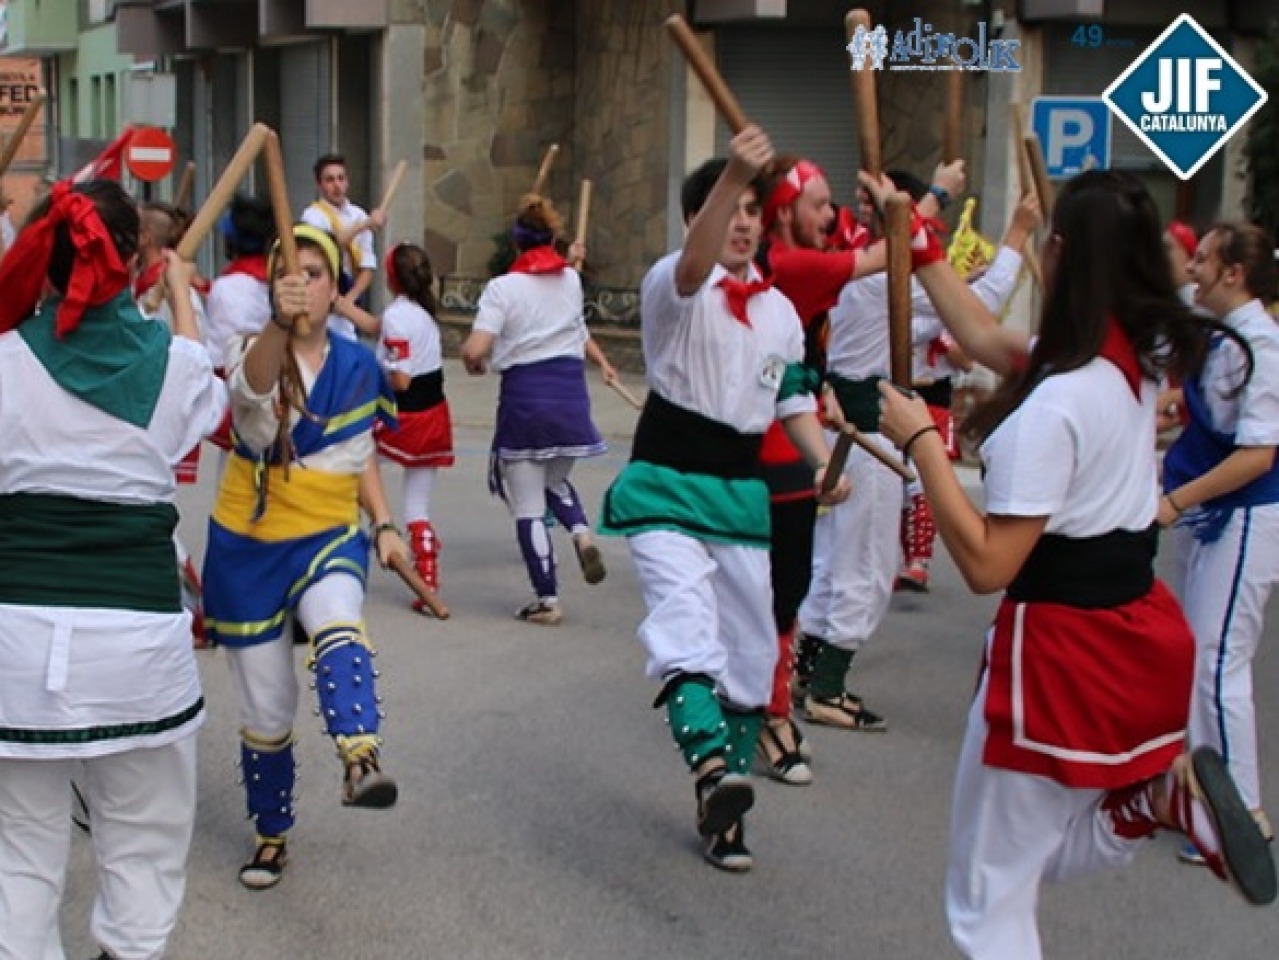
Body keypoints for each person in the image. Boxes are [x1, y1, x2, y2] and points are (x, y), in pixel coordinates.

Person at [876, 169, 1276, 959]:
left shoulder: (1054, 407)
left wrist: (921, 440)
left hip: (1061, 662)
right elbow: (989, 340)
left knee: (987, 901)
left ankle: (1151, 803)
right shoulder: (1134, 360)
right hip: (1135, 644)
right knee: (1028, 856)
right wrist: (915, 242)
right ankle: (1148, 802)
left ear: (1056, 256)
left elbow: (989, 562)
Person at [598, 127, 849, 872]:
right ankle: (711, 768)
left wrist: (819, 467)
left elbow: (788, 400)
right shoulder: (674, 285)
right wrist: (737, 167)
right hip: (668, 485)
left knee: (746, 660)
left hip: (741, 498)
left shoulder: (778, 315)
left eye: (750, 207)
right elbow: (692, 266)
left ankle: (723, 810)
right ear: (696, 220)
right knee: (685, 633)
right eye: (724, 207)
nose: (740, 221)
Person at [0, 179, 226, 960]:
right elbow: (202, 388)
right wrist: (177, 292)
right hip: (136, 643)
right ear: (134, 257)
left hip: (15, 641)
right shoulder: (178, 367)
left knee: (17, 856)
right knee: (144, 840)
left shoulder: (3, 361)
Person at [201, 224, 407, 890]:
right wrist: (275, 325)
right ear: (273, 285)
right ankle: (271, 833)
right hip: (248, 542)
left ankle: (359, 758)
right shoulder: (251, 349)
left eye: (317, 273)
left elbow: (360, 452)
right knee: (267, 708)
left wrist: (383, 523)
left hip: (326, 531)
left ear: (336, 285)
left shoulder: (358, 364)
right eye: (292, 273)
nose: (305, 283)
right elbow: (254, 406)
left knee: (338, 616)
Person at [795, 169, 1028, 734]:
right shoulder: (880, 276)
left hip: (849, 429)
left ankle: (803, 670)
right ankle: (825, 688)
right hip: (868, 434)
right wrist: (1018, 235)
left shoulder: (859, 262)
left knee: (835, 561)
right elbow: (980, 306)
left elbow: (941, 305)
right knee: (868, 567)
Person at [750, 154, 893, 783]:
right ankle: (765, 717)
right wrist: (912, 210)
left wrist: (819, 391)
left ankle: (768, 711)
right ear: (784, 213)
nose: (829, 215)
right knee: (771, 598)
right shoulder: (790, 265)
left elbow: (796, 367)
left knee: (781, 596)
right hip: (759, 457)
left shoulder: (786, 265)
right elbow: (885, 258)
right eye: (818, 204)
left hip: (787, 441)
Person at [1159, 221, 1279, 863]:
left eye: (1202, 259)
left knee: (1218, 659)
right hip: (1214, 518)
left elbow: (1258, 455)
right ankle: (1203, 794)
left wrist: (1175, 502)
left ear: (1234, 273)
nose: (1192, 268)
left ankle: (1243, 818)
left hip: (1245, 517)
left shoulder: (1263, 344)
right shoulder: (1223, 333)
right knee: (1199, 656)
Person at [461, 194, 615, 626]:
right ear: (552, 239)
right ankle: (582, 535)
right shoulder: (571, 282)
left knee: (528, 504)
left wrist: (471, 360)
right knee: (556, 478)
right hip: (570, 398)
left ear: (516, 244)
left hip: (526, 400)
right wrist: (602, 363)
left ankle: (547, 599)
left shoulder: (502, 289)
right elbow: (577, 328)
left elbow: (477, 347)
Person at [376, 242, 455, 608]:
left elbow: (401, 379)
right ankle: (428, 578)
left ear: (391, 278)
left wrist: (371, 377)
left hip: (404, 416)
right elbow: (380, 329)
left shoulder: (398, 318)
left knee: (349, 463)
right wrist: (343, 306)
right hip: (435, 413)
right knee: (417, 504)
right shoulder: (422, 313)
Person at [301, 153, 383, 338]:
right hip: (320, 295)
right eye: (330, 180)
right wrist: (365, 225)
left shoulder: (358, 214)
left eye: (341, 178)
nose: (337, 185)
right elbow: (328, 244)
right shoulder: (312, 216)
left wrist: (350, 300)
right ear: (319, 184)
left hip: (347, 298)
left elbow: (368, 266)